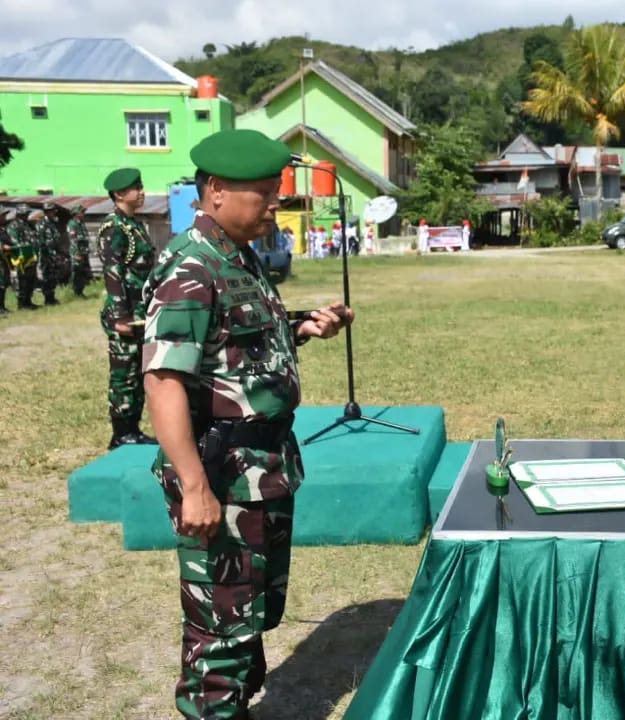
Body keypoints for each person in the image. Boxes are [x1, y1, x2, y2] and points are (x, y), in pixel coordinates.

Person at [142, 128, 354, 720]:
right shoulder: (190, 267)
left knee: (253, 614)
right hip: (222, 474)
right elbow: (163, 382)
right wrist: (194, 486)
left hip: (264, 470)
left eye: (274, 192)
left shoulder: (239, 257)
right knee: (223, 627)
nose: (273, 204)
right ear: (213, 191)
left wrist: (304, 328)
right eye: (261, 193)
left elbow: (239, 354)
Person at [100, 167, 157, 449]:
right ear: (120, 194)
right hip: (125, 315)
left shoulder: (134, 225)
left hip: (140, 313)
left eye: (141, 185)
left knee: (138, 371)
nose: (142, 192)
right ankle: (121, 433)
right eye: (136, 188)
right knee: (124, 374)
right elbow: (113, 274)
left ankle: (132, 429)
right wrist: (121, 315)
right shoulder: (114, 228)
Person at [34, 202, 64, 306]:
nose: (54, 213)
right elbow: (41, 242)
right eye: (51, 211)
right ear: (47, 212)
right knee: (47, 277)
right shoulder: (41, 224)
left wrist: (59, 253)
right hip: (46, 255)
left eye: (54, 211)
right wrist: (45, 255)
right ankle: (48, 299)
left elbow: (55, 240)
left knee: (53, 277)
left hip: (54, 255)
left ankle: (52, 297)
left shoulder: (52, 223)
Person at [68, 204, 93, 297]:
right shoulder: (72, 224)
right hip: (77, 253)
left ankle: (81, 291)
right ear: (76, 213)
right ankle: (76, 292)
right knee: (77, 272)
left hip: (84, 252)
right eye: (82, 212)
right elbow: (73, 240)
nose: (83, 214)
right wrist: (77, 253)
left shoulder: (81, 224)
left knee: (82, 272)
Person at [0, 211, 13, 315]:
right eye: (3, 215)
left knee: (3, 284)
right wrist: (3, 247)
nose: (5, 217)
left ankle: (2, 307)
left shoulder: (2, 229)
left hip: (4, 260)